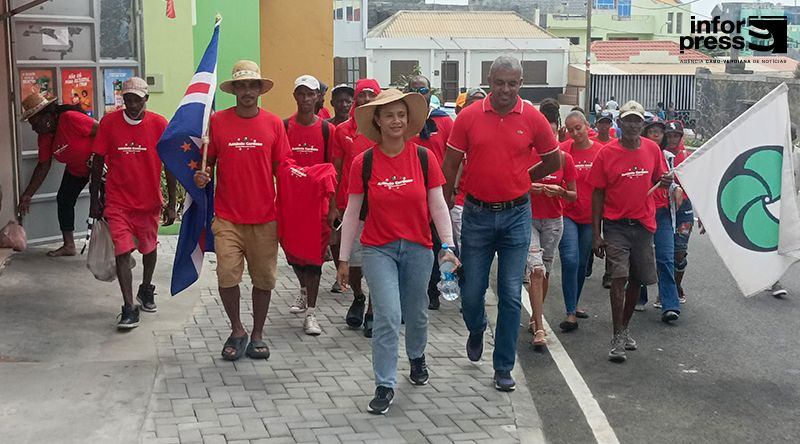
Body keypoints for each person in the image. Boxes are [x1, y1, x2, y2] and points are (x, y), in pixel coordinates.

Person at [442, 56, 561, 391]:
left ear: (521, 83)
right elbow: (450, 163)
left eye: (513, 83)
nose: (506, 90)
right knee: (471, 292)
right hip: (477, 215)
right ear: (489, 80)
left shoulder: (534, 119)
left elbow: (554, 159)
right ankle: (477, 328)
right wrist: (445, 200)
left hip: (516, 216)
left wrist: (524, 177)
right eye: (500, 82)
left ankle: (503, 367)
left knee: (510, 294)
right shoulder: (468, 117)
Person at [336, 88, 457, 415]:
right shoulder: (365, 162)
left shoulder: (423, 157)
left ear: (408, 120)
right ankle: (385, 383)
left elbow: (437, 204)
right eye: (388, 114)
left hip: (419, 247)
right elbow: (351, 212)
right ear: (377, 120)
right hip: (379, 249)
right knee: (388, 314)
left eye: (401, 114)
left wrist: (447, 246)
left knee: (416, 312)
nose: (396, 120)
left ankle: (417, 357)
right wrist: (344, 258)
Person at [193, 60, 289, 361]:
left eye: (252, 85)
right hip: (227, 217)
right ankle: (237, 329)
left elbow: (282, 169)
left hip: (264, 218)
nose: (247, 91)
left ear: (260, 90)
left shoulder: (274, 124)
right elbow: (207, 162)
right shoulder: (218, 122)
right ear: (234, 90)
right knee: (226, 277)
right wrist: (202, 174)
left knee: (264, 280)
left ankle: (258, 334)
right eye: (242, 85)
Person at [588, 101, 672, 363]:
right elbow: (597, 193)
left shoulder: (652, 149)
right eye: (628, 120)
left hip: (644, 225)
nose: (633, 125)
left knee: (637, 279)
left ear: (643, 125)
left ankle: (624, 329)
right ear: (619, 123)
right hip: (616, 225)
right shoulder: (607, 153)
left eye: (638, 121)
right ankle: (616, 337)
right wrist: (596, 233)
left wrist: (667, 181)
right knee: (618, 277)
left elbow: (661, 178)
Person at [89, 77, 175, 329]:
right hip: (118, 202)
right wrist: (95, 199)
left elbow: (169, 164)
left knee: (149, 249)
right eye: (128, 99)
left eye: (137, 99)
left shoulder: (159, 124)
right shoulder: (109, 123)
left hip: (148, 202)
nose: (133, 104)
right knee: (122, 250)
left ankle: (146, 288)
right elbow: (97, 161)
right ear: (122, 99)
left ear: (146, 99)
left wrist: (171, 202)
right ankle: (128, 306)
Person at [282, 75, 337, 335]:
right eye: (301, 94)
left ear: (318, 97)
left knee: (314, 258)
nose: (306, 99)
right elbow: (278, 164)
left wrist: (334, 206)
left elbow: (334, 168)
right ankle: (303, 290)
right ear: (295, 96)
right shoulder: (284, 127)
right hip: (290, 202)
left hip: (318, 203)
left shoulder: (328, 130)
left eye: (310, 94)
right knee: (293, 253)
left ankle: (312, 313)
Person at [18, 92, 98, 256]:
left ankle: (112, 247)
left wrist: (100, 157)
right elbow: (43, 166)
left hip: (99, 167)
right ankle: (69, 245)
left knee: (103, 206)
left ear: (47, 116)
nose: (33, 128)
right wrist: (28, 195)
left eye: (35, 123)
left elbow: (102, 131)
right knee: (64, 199)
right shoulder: (44, 137)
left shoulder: (70, 118)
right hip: (76, 169)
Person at [331, 78, 381, 337]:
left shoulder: (385, 129)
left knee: (376, 259)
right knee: (351, 260)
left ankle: (373, 309)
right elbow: (336, 170)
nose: (366, 100)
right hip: (351, 204)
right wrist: (334, 205)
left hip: (381, 205)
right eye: (362, 95)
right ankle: (358, 296)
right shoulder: (342, 131)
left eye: (372, 95)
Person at [405, 75, 455, 310]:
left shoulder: (444, 121)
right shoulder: (402, 120)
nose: (419, 92)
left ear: (430, 92)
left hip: (438, 193)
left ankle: (433, 290)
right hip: (409, 195)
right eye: (413, 89)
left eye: (423, 89)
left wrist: (451, 190)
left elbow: (455, 158)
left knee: (438, 243)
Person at [525, 143, 577, 347]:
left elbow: (574, 194)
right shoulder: (524, 156)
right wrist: (528, 187)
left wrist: (561, 191)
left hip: (554, 221)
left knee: (545, 270)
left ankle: (535, 316)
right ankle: (539, 328)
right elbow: (511, 183)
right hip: (528, 219)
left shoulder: (564, 158)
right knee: (535, 270)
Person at [634, 116, 682, 322]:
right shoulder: (636, 154)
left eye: (659, 132)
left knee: (665, 257)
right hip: (642, 212)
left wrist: (675, 188)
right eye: (652, 130)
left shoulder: (668, 157)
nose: (656, 134)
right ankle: (638, 296)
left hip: (662, 213)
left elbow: (670, 180)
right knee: (641, 257)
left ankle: (670, 304)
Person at [558, 111, 602, 331]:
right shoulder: (564, 150)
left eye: (578, 128)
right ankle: (570, 313)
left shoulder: (600, 152)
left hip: (590, 217)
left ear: (587, 126)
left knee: (583, 263)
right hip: (567, 213)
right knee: (570, 259)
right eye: (570, 129)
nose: (575, 133)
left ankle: (574, 303)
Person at [450, 87, 487, 254]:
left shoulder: (493, 134)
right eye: (472, 104)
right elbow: (450, 165)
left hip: (486, 203)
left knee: (481, 248)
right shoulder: (456, 132)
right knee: (463, 244)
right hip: (460, 201)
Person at [664, 120, 693, 304]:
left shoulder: (688, 157)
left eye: (676, 135)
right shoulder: (659, 156)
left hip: (684, 210)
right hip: (665, 210)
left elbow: (699, 185)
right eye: (670, 135)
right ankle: (666, 290)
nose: (673, 139)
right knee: (666, 253)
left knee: (679, 252)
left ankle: (675, 286)